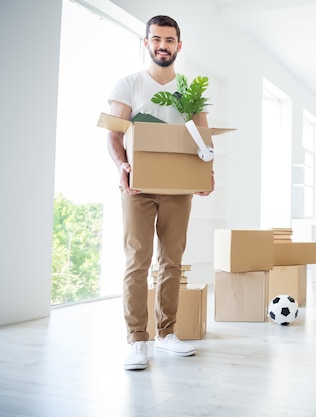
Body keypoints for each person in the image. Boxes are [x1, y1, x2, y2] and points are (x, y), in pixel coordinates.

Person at [107, 15, 212, 370]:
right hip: (136, 187)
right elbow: (114, 134)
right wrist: (122, 165)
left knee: (172, 261)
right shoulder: (129, 84)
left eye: (169, 40)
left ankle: (165, 334)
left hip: (177, 190)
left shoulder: (189, 90)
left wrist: (207, 173)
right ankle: (137, 340)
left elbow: (203, 139)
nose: (162, 45)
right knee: (137, 261)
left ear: (179, 46)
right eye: (156, 39)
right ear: (146, 43)